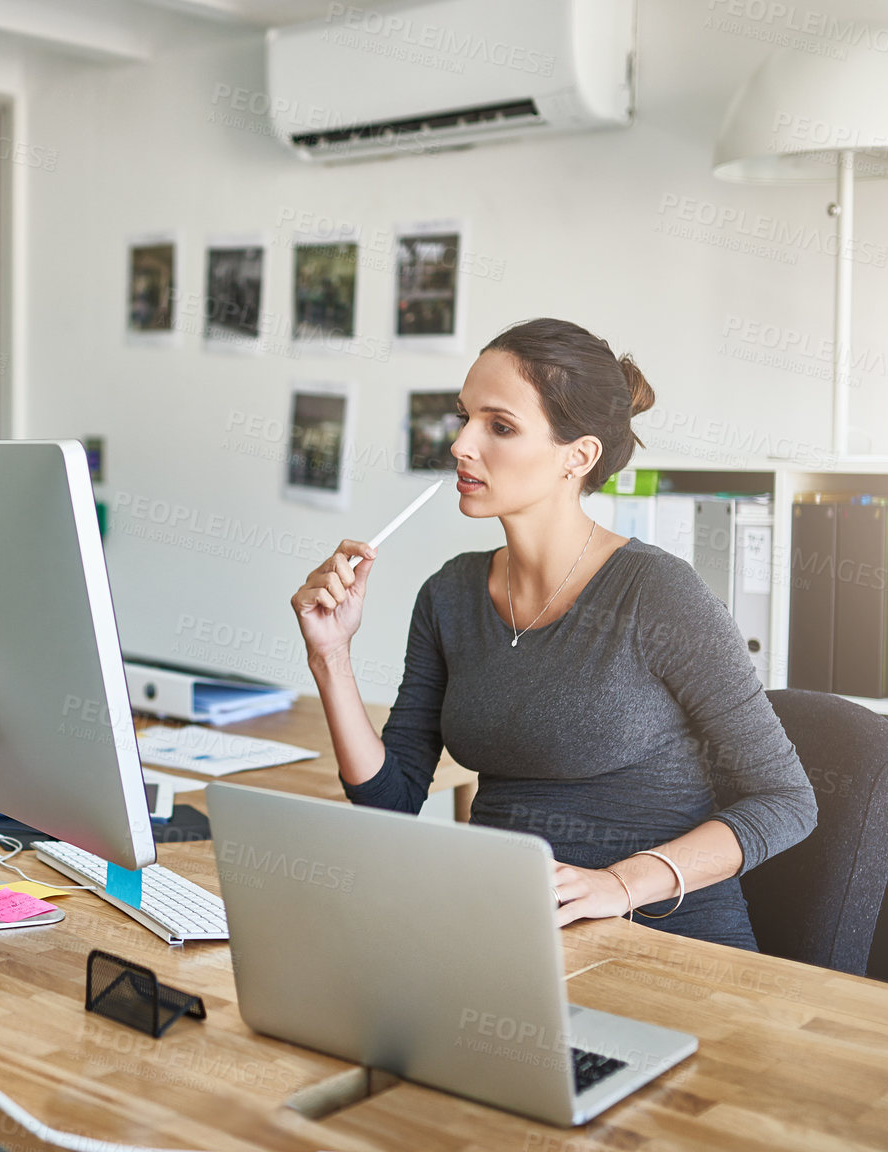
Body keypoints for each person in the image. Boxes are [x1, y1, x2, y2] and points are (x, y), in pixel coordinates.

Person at [290, 317, 817, 950]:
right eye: (464, 418)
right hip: (504, 935)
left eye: (500, 426)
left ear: (579, 456)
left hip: (664, 947)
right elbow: (393, 801)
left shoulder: (657, 594)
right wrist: (331, 658)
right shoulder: (450, 595)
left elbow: (786, 802)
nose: (461, 444)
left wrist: (616, 885)